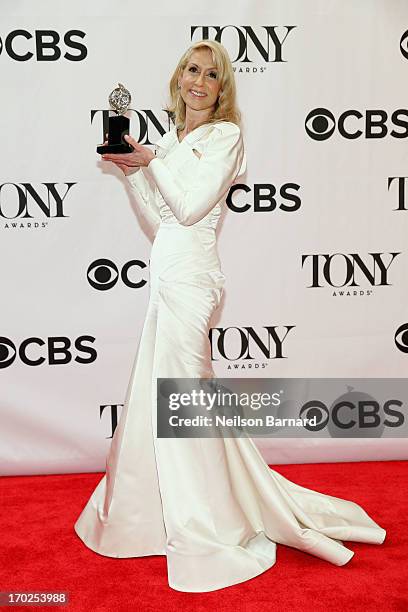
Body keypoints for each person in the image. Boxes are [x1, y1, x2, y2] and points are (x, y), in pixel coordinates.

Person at [74, 40, 386, 593]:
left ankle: (210, 521)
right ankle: (156, 514)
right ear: (177, 78)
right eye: (191, 70)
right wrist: (132, 174)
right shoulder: (173, 138)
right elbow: (162, 220)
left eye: (211, 75)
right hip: (167, 273)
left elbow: (194, 208)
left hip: (194, 281)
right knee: (163, 396)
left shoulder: (226, 136)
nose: (199, 81)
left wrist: (151, 162)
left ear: (222, 89)